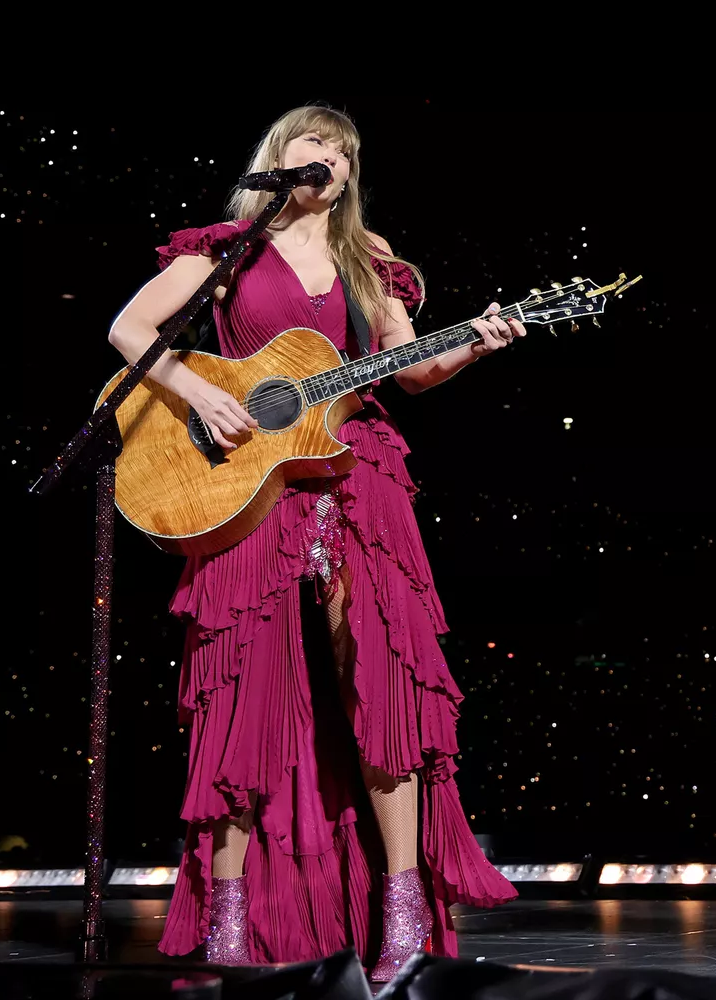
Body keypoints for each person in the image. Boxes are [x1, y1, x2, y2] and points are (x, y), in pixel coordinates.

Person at [107, 105, 522, 979]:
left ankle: (403, 913)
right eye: (313, 141)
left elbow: (409, 372)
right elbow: (130, 331)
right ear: (278, 158)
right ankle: (231, 918)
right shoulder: (224, 247)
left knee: (381, 677)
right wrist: (199, 389)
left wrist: (475, 347)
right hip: (247, 481)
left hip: (353, 471)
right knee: (239, 693)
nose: (327, 155)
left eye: (341, 149)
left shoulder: (372, 264)